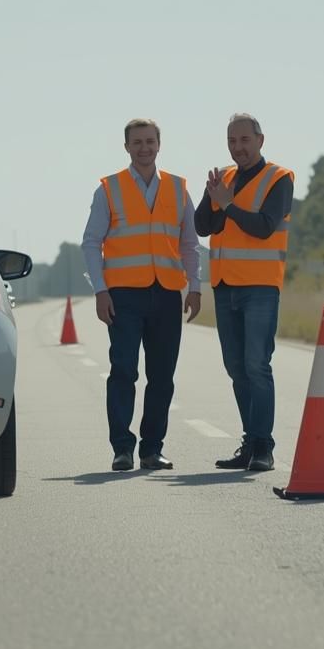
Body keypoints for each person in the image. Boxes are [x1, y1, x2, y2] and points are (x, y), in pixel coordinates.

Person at [81, 118, 202, 471]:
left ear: (159, 144)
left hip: (166, 294)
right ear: (127, 147)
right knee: (124, 370)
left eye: (150, 141)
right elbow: (91, 242)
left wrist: (194, 287)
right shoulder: (109, 189)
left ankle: (151, 449)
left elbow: (191, 244)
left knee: (162, 375)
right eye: (137, 142)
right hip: (123, 295)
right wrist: (100, 290)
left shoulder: (179, 189)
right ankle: (122, 448)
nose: (144, 148)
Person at [194, 112, 294, 472]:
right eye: (232, 142)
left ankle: (264, 446)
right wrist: (216, 199)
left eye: (245, 140)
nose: (239, 148)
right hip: (224, 287)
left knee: (256, 365)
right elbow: (201, 225)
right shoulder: (223, 179)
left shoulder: (279, 179)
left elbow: (264, 227)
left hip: (260, 288)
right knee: (236, 367)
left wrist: (228, 204)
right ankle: (250, 443)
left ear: (260, 141)